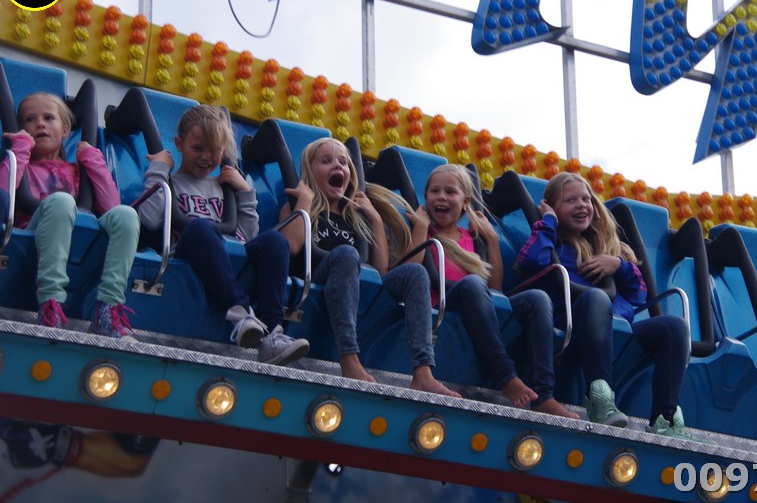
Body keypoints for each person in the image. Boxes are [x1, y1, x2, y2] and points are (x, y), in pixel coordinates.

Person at [516, 172, 692, 437]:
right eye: (570, 200)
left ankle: (665, 418)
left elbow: (637, 296)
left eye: (586, 199)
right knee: (597, 297)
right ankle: (600, 399)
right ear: (553, 207)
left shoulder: (606, 250)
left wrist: (620, 266)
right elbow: (530, 262)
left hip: (614, 327)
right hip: (573, 322)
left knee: (674, 327)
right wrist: (548, 221)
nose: (581, 205)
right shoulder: (553, 244)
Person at [280, 137, 459, 398]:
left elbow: (380, 271)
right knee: (346, 253)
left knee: (416, 272)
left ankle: (423, 372)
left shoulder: (355, 218)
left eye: (343, 162)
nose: (337, 166)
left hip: (360, 286)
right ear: (310, 170)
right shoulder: (296, 206)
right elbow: (291, 245)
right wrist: (305, 201)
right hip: (320, 280)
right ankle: (349, 358)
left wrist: (374, 218)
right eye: (326, 161)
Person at [136, 104, 308, 365]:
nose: (207, 157)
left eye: (215, 150)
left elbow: (247, 237)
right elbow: (148, 219)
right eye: (198, 148)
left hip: (229, 259)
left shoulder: (225, 187)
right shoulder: (171, 182)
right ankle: (241, 313)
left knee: (275, 240)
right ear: (179, 144)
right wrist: (159, 169)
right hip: (191, 255)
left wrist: (245, 192)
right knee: (200, 226)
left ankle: (272, 333)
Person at [410, 164, 578, 418]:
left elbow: (495, 288)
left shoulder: (471, 238)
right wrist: (420, 228)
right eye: (435, 191)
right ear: (426, 198)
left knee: (538, 298)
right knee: (472, 284)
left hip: (480, 305)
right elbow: (412, 270)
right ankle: (506, 376)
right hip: (443, 307)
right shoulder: (426, 233)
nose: (442, 197)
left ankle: (544, 394)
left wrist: (491, 240)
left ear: (465, 201)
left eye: (450, 192)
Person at [0, 92, 140, 338]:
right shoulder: (21, 164)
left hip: (79, 234)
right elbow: (3, 195)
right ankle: (50, 303)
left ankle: (108, 309)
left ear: (65, 130)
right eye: (30, 120)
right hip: (32, 231)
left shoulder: (77, 172)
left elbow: (110, 206)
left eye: (48, 118)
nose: (40, 124)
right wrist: (19, 149)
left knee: (126, 215)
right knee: (62, 201)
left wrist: (93, 160)